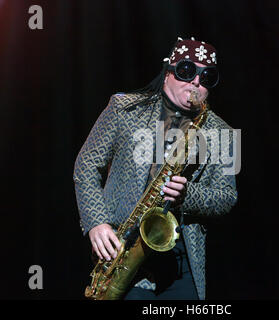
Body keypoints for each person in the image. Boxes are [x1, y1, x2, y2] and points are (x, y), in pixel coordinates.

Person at [73, 37, 238, 300]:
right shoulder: (123, 108)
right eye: (186, 71)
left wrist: (188, 195)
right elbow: (86, 166)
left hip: (181, 262)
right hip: (123, 250)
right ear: (167, 73)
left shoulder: (224, 133)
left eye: (206, 77)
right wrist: (96, 223)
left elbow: (227, 197)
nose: (195, 81)